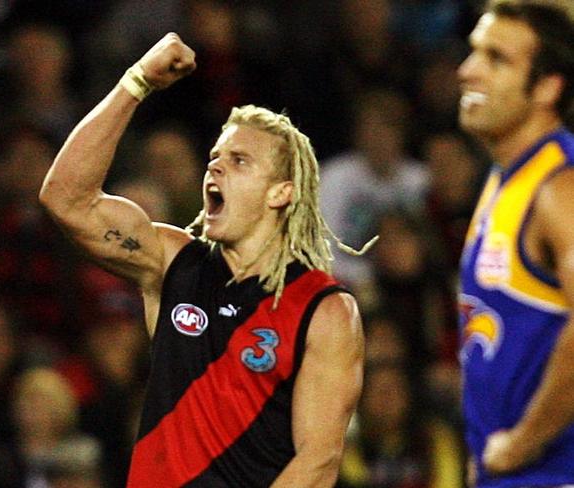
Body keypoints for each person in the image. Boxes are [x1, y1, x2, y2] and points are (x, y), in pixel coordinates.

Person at [39, 33, 366, 487]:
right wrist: (136, 83)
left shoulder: (323, 309)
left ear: (281, 192)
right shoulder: (173, 263)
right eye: (214, 157)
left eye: (238, 161)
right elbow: (66, 199)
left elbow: (318, 463)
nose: (215, 167)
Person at [457, 0, 574, 486]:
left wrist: (524, 442)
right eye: (474, 52)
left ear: (547, 87)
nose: (467, 71)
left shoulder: (560, 186)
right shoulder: (506, 177)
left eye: (496, 59)